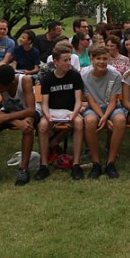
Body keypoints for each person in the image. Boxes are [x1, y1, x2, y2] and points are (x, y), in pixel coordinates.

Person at [35, 46, 85, 181]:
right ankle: (44, 165)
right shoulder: (47, 79)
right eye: (65, 60)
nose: (69, 63)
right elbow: (44, 103)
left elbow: (78, 100)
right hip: (52, 111)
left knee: (79, 123)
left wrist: (74, 115)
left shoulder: (75, 76)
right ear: (56, 62)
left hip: (69, 111)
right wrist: (47, 115)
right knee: (43, 126)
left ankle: (76, 164)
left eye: (70, 59)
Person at [0, 64, 37, 186]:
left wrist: (8, 118)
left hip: (26, 112)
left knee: (28, 125)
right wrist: (16, 122)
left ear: (12, 83)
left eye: (2, 89)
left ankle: (23, 169)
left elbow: (31, 110)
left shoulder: (25, 80)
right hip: (7, 113)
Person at [81, 45, 126, 179]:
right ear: (91, 59)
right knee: (89, 121)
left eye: (105, 59)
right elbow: (91, 100)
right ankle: (96, 163)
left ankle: (110, 162)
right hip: (94, 108)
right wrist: (103, 118)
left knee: (120, 120)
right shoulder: (84, 75)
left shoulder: (115, 75)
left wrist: (105, 117)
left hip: (111, 107)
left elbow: (113, 101)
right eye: (98, 58)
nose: (101, 62)